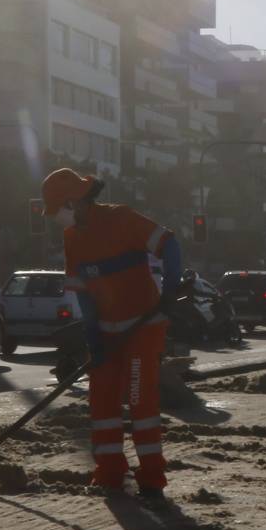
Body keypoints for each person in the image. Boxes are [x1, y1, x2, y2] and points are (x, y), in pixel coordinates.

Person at [45, 167, 180, 501]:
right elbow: (83, 292)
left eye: (57, 210)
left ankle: (152, 478)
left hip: (142, 326)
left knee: (138, 397)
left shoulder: (122, 219)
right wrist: (94, 338)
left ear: (73, 202)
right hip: (107, 330)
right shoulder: (73, 238)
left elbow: (170, 245)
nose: (57, 219)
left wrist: (169, 292)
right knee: (102, 399)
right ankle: (109, 472)